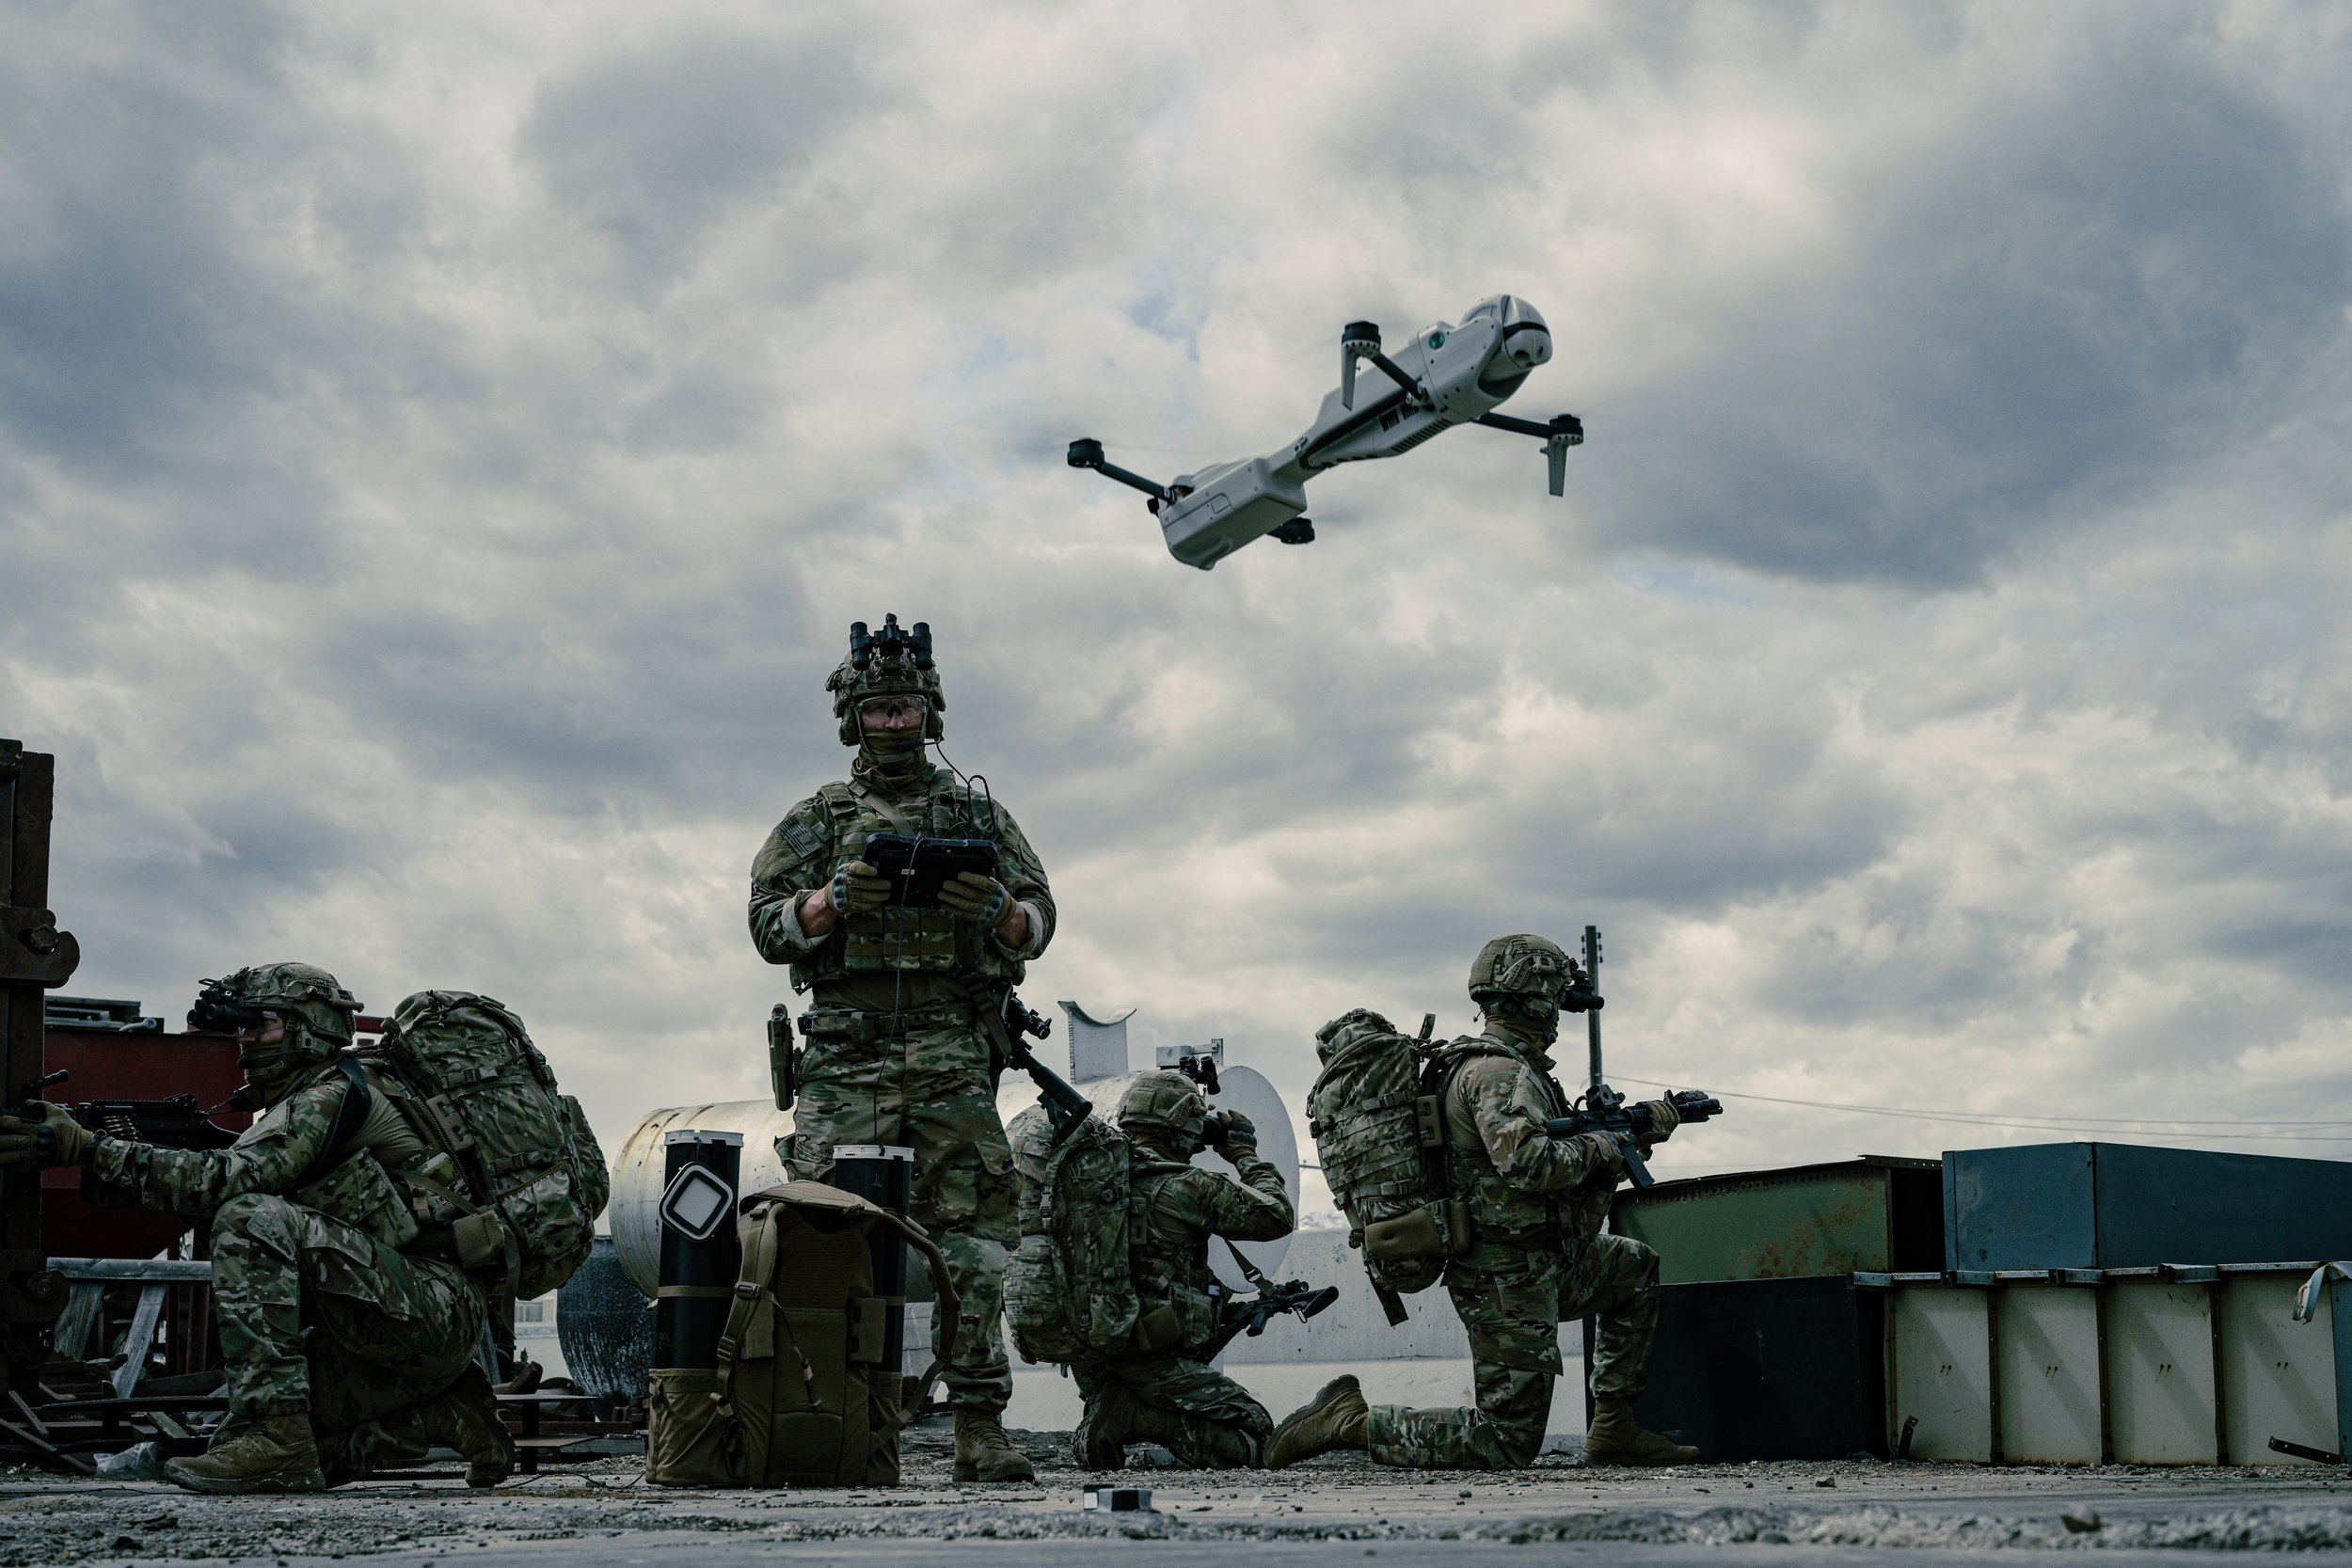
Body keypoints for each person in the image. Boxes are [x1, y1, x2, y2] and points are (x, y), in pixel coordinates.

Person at [0, 963, 513, 1494]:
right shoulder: (305, 1101)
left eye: (260, 1024)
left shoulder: (328, 1096)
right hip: (395, 1315)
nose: (243, 1038)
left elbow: (230, 1184)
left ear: (308, 1028)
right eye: (240, 1026)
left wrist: (90, 1149)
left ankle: (277, 1436)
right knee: (264, 1450)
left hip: (430, 1306)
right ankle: (443, 1411)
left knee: (249, 1220)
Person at [747, 614, 1055, 1483]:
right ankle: (822, 1418)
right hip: (846, 1054)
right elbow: (764, 924)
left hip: (951, 1049)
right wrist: (827, 904)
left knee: (976, 1239)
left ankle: (979, 1424)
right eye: (878, 710)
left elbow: (1040, 918)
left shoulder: (977, 812)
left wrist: (998, 911)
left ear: (931, 714)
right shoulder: (817, 819)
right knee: (820, 1235)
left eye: (906, 708)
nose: (893, 723)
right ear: (854, 719)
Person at [1266, 933, 1698, 1471]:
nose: (1558, 1013)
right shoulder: (1498, 1073)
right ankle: (1348, 1422)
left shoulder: (1496, 1067)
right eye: (1555, 997)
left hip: (1543, 1259)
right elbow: (1531, 1165)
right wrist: (1609, 1143)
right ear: (1536, 999)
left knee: (1632, 1268)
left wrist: (1627, 1135)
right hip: (1503, 1275)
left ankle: (1615, 1426)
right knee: (1505, 1441)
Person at [1054, 1070, 1295, 1470]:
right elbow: (1277, 1216)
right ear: (1181, 1130)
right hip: (1154, 1360)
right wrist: (1244, 1155)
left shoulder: (1088, 1185)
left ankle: (1113, 1409)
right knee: (1258, 1434)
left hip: (1091, 1359)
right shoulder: (1187, 1187)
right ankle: (1134, 1417)